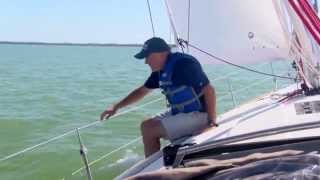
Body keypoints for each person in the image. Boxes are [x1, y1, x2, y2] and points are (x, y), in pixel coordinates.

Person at [100, 37, 217, 158]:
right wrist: (116, 107)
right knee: (146, 126)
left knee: (151, 129)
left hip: (200, 115)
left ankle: (151, 167)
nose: (146, 62)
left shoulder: (184, 65)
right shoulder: (161, 71)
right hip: (181, 113)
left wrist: (211, 123)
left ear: (161, 54)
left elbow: (209, 90)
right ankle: (150, 163)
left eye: (147, 57)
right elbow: (142, 91)